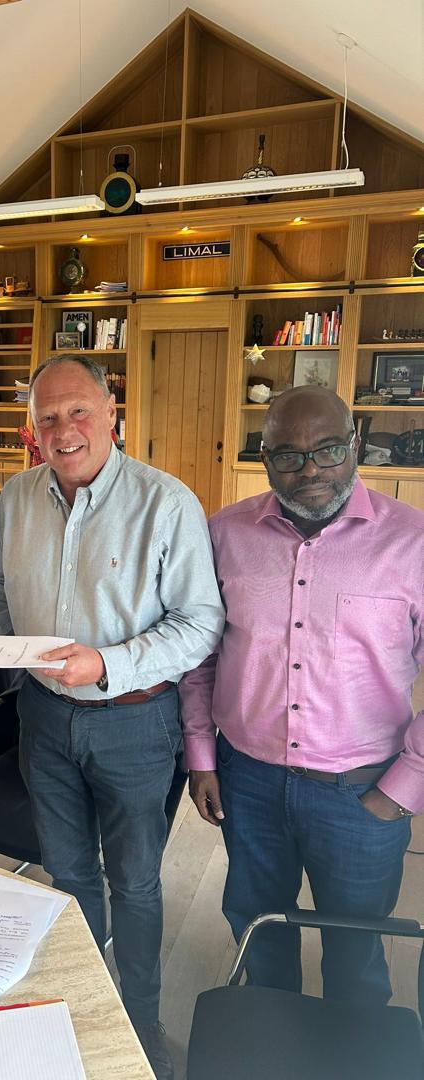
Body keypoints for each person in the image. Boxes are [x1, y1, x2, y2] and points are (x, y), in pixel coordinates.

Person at [0, 356, 224, 1074]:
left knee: (135, 882)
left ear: (112, 412)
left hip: (136, 722)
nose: (64, 430)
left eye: (78, 411)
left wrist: (108, 663)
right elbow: (3, 596)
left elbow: (200, 624)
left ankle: (138, 1024)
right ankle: (80, 1009)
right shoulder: (17, 498)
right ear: (32, 429)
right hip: (44, 718)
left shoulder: (165, 503)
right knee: (68, 872)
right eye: (47, 418)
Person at [180, 385, 423, 1006]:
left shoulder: (413, 542)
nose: (310, 470)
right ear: (264, 457)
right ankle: (271, 1032)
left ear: (356, 443)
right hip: (247, 782)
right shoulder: (224, 534)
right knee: (258, 930)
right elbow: (200, 655)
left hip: (363, 790)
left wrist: (404, 787)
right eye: (288, 455)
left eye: (328, 449)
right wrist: (202, 757)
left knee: (355, 950)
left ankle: (351, 1046)